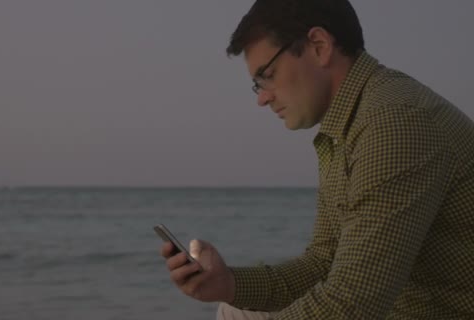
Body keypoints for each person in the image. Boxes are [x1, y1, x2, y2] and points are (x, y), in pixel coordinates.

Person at [159, 0, 474, 318]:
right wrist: (229, 284)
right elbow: (323, 264)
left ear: (319, 46)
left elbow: (351, 304)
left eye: (268, 75)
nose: (262, 97)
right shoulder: (350, 128)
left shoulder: (394, 122)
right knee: (233, 308)